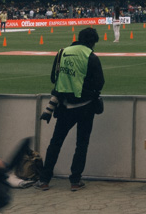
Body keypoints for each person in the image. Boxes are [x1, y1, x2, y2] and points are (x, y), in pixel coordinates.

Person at [39, 26, 103, 191]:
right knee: (81, 144)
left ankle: (44, 179)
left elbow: (55, 78)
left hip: (64, 105)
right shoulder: (91, 56)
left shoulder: (62, 52)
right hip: (85, 107)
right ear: (92, 41)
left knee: (55, 143)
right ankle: (75, 180)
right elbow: (99, 82)